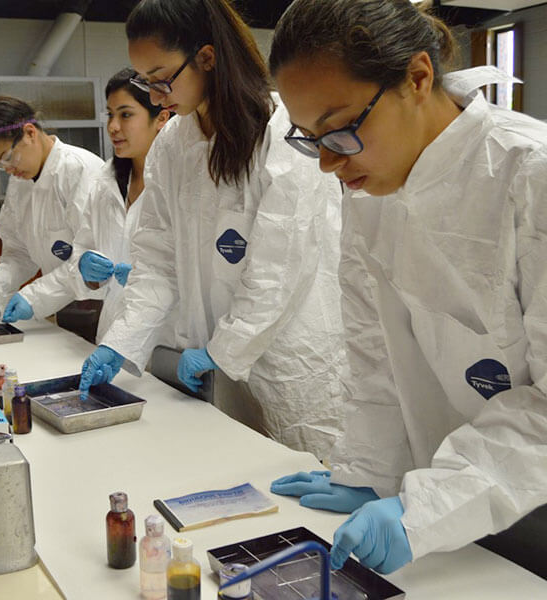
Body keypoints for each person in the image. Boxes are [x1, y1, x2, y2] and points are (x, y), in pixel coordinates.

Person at [266, 0, 547, 588]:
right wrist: (372, 468)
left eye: (340, 128)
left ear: (418, 77)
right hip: (460, 506)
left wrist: (425, 508)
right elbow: (378, 353)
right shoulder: (373, 188)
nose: (325, 163)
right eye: (310, 138)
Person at [78, 0, 346, 457]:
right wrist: (120, 342)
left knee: (304, 487)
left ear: (206, 57)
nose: (156, 95)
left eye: (161, 78)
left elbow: (279, 272)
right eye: (146, 81)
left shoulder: (281, 132)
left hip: (289, 359)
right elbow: (157, 260)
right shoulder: (172, 146)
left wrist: (225, 349)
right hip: (215, 358)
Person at [0, 96, 104, 321]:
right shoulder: (21, 183)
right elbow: (19, 253)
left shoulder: (79, 170)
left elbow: (91, 257)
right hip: (62, 304)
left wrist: (34, 297)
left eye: (7, 157)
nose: (7, 169)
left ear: (30, 133)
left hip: (103, 303)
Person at [71, 68, 171, 340]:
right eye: (110, 115)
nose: (113, 126)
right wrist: (85, 267)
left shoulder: (178, 182)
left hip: (165, 334)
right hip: (112, 331)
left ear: (161, 118)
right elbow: (83, 246)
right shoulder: (105, 182)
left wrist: (150, 281)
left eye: (125, 114)